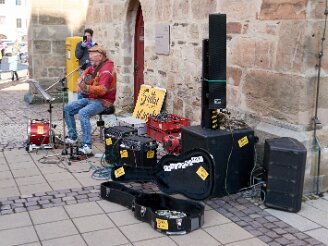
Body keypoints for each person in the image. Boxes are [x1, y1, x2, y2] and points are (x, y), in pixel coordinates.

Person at [64, 45, 116, 155]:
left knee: (83, 112)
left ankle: (87, 146)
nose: (90, 58)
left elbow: (102, 90)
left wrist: (85, 87)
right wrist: (81, 77)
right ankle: (73, 137)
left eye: (93, 56)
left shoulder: (106, 70)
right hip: (91, 98)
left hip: (103, 101)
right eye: (90, 56)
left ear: (101, 56)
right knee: (68, 108)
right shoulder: (97, 66)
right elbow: (88, 70)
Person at [75, 28, 97, 99]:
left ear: (91, 36)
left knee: (89, 90)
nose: (87, 37)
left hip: (92, 71)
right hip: (83, 70)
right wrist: (82, 47)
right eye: (86, 36)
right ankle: (79, 104)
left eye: (89, 36)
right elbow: (77, 56)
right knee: (81, 89)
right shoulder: (79, 44)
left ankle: (87, 105)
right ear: (83, 36)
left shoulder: (94, 45)